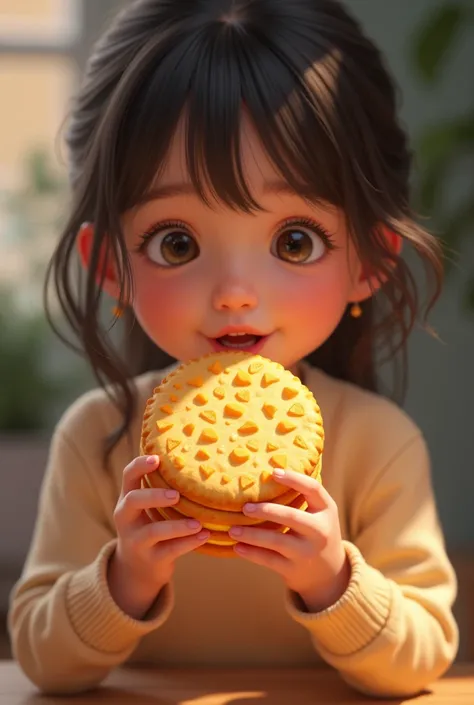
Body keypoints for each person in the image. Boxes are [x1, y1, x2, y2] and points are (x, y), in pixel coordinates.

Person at [8, 0, 458, 697]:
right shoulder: (99, 438)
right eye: (177, 242)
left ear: (369, 258)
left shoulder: (376, 443)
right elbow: (41, 661)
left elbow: (423, 659)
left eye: (294, 241)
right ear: (109, 266)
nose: (235, 292)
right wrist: (123, 579)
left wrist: (332, 579)